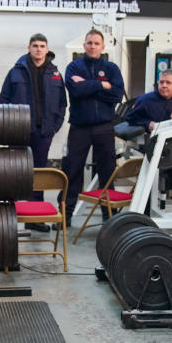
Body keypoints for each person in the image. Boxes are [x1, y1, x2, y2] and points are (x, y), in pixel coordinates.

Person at [61, 29, 125, 225]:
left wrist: (89, 85)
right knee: (72, 171)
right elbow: (75, 91)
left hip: (104, 128)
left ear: (103, 47)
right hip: (79, 128)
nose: (92, 46)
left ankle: (109, 217)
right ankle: (65, 215)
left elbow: (116, 95)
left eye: (96, 43)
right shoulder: (73, 67)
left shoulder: (112, 69)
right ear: (84, 45)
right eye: (89, 43)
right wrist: (101, 85)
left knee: (107, 171)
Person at [0, 33, 67, 218]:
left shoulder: (55, 74)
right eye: (35, 45)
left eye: (42, 46)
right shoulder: (16, 72)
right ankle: (8, 215)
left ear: (47, 49)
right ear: (29, 48)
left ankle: (35, 216)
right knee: (14, 172)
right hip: (18, 131)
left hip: (43, 133)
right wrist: (10, 126)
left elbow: (62, 104)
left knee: (38, 175)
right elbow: (3, 100)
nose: (38, 49)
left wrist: (54, 128)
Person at [125, 70, 172, 210]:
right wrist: (147, 124)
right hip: (154, 151)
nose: (164, 86)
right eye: (161, 82)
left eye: (168, 83)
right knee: (146, 184)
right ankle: (143, 220)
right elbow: (130, 118)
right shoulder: (146, 99)